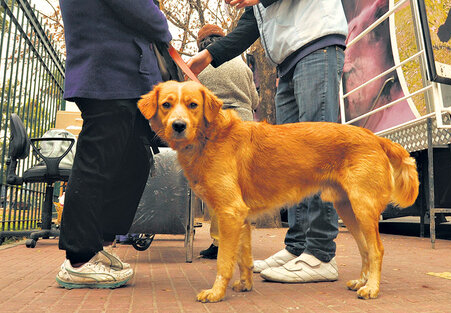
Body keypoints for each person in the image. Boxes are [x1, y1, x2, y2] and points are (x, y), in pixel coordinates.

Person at [187, 0, 347, 283]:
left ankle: (321, 253)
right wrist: (209, 55)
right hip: (286, 62)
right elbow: (250, 27)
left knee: (318, 152)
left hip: (315, 43)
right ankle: (298, 246)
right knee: (290, 161)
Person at [56, 0, 171, 289]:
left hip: (124, 76)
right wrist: (161, 24)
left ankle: (97, 243)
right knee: (98, 162)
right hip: (108, 72)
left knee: (133, 160)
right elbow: (141, 11)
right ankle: (79, 259)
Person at [195, 24, 259, 259]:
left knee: (218, 187)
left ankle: (220, 241)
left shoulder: (199, 65)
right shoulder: (242, 65)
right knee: (241, 186)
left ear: (201, 43)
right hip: (244, 126)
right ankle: (242, 237)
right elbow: (255, 100)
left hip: (215, 129)